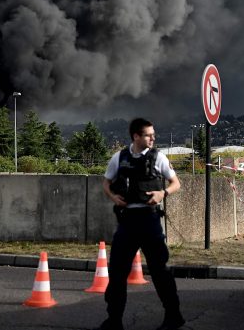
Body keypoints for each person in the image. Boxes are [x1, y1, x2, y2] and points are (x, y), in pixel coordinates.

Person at [98, 117, 185, 330]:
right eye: (148, 135)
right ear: (136, 136)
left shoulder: (159, 158)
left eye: (153, 134)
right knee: (117, 272)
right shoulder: (119, 158)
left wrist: (162, 193)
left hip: (150, 220)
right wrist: (113, 198)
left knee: (159, 271)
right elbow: (106, 182)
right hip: (127, 221)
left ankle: (174, 317)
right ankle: (114, 321)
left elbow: (176, 183)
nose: (153, 138)